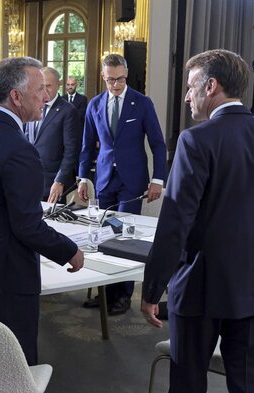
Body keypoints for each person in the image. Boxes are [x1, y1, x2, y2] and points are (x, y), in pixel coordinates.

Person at [141, 49, 254, 393]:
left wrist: (153, 287)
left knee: (187, 389)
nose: (187, 96)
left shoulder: (196, 140)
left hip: (200, 287)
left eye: (191, 86)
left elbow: (175, 223)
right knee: (249, 391)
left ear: (211, 86)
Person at [0, 57, 84, 369]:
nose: (46, 97)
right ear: (17, 96)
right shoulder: (20, 149)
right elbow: (27, 226)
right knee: (12, 369)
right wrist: (69, 251)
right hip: (5, 275)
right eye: (40, 90)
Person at [78, 53, 167, 315]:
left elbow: (158, 144)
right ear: (103, 77)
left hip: (132, 180)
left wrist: (157, 179)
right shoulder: (94, 104)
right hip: (104, 179)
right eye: (110, 80)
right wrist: (82, 178)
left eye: (120, 79)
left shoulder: (142, 103)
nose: (116, 85)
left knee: (125, 237)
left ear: (126, 76)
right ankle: (105, 292)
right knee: (104, 235)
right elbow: (86, 146)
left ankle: (124, 295)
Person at [24, 67, 81, 203]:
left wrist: (60, 181)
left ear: (58, 84)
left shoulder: (68, 111)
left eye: (48, 86)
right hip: (30, 180)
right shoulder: (32, 106)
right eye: (41, 86)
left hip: (53, 185)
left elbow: (71, 150)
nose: (44, 90)